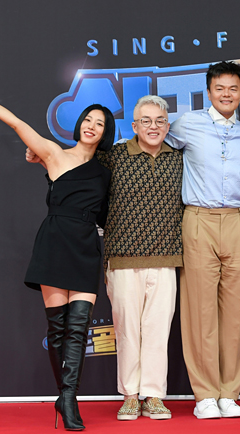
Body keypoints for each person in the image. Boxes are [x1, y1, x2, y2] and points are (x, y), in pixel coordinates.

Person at [0, 68, 115, 430]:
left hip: (86, 247)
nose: (91, 126)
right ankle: (67, 398)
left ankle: (67, 398)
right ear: (79, 124)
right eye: (88, 120)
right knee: (58, 328)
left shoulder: (106, 172)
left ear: (106, 133)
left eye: (99, 123)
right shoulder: (53, 153)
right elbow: (16, 123)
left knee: (79, 327)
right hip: (55, 241)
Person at [27, 95, 184, 421]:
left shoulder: (180, 158)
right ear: (134, 126)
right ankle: (130, 396)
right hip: (122, 257)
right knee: (126, 331)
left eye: (159, 121)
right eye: (145, 120)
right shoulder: (113, 156)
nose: (152, 126)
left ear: (168, 126)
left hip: (166, 256)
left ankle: (154, 395)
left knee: (158, 331)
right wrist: (40, 158)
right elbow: (75, 164)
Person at [166, 61, 240, 419]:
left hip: (237, 220)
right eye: (219, 88)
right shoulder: (186, 124)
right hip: (198, 220)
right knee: (200, 309)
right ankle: (205, 394)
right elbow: (153, 144)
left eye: (233, 88)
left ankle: (229, 393)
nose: (226, 94)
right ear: (208, 92)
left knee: (236, 312)